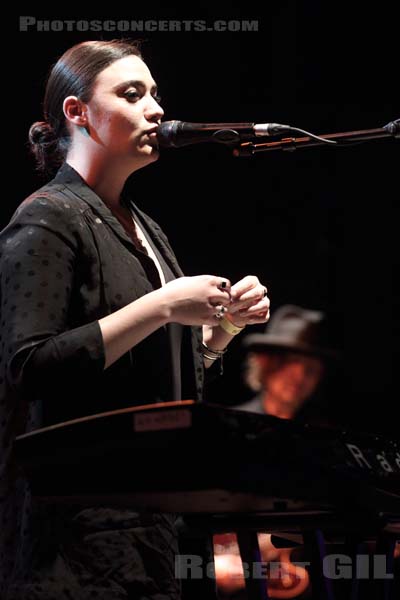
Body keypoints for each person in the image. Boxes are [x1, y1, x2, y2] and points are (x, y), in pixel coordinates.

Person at [0, 39, 270, 599]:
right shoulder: (49, 217)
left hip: (155, 519)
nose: (155, 108)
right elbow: (28, 367)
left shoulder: (145, 226)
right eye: (132, 93)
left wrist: (224, 330)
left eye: (155, 94)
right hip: (78, 532)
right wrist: (162, 304)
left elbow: (154, 369)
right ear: (76, 112)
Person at [214, 304, 338, 599]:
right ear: (265, 364)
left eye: (310, 368)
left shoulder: (320, 441)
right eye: (289, 362)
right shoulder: (226, 429)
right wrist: (213, 562)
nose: (300, 376)